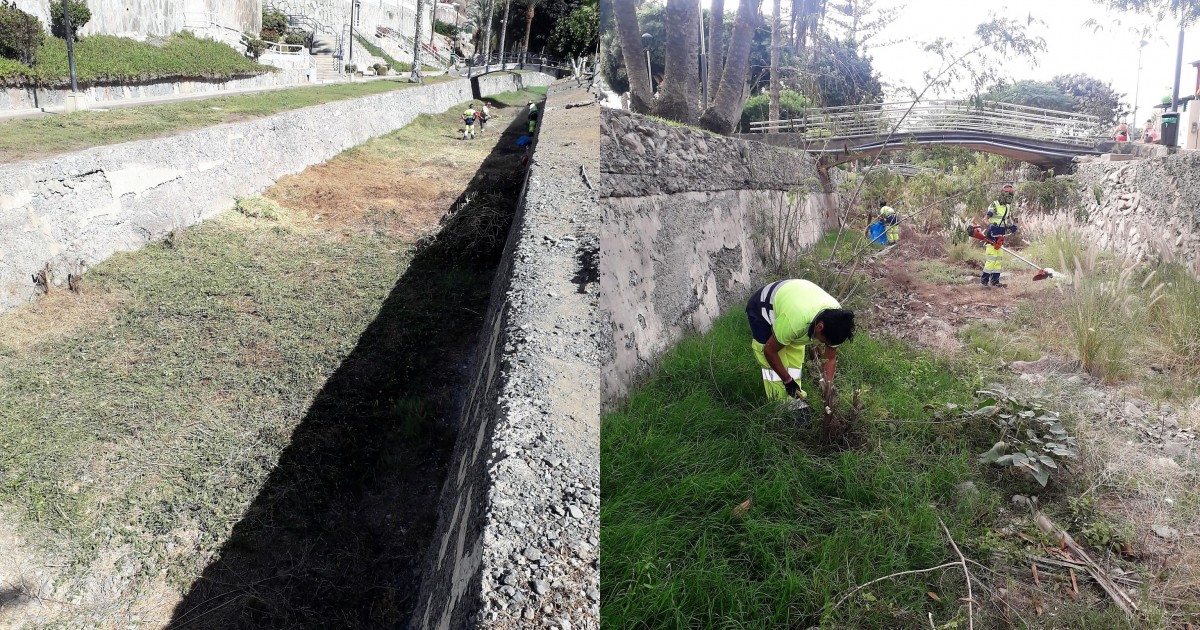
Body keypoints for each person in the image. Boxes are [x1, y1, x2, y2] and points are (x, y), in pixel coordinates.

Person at [745, 279, 856, 401]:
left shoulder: (839, 323)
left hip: (795, 305)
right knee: (774, 369)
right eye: (823, 341)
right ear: (819, 327)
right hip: (763, 308)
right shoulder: (795, 321)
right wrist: (787, 381)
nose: (823, 344)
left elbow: (830, 358)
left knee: (794, 362)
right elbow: (769, 351)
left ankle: (796, 399)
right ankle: (780, 405)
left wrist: (827, 388)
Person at [981, 184, 1019, 288]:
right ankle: (984, 282)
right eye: (1007, 193)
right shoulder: (994, 205)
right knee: (991, 259)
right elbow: (985, 219)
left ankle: (995, 281)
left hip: (1001, 235)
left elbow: (1004, 222)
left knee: (998, 259)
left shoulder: (1008, 206)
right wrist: (990, 225)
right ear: (1002, 194)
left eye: (1010, 194)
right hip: (991, 235)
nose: (1009, 196)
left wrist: (1010, 227)